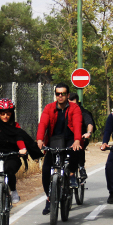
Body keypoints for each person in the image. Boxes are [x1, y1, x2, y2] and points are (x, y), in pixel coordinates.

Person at [36, 83, 83, 215]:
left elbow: (78, 123)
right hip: (54, 139)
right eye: (58, 94)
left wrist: (77, 140)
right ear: (55, 95)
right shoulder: (49, 107)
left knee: (75, 151)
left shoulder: (74, 108)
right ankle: (49, 198)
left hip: (70, 138)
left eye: (63, 94)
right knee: (46, 170)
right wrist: (39, 139)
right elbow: (43, 123)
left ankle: (72, 173)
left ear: (68, 95)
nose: (60, 96)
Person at [68, 92, 95, 180]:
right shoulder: (63, 111)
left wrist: (88, 133)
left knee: (79, 145)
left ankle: (81, 166)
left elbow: (89, 123)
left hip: (81, 137)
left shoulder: (83, 112)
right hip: (67, 137)